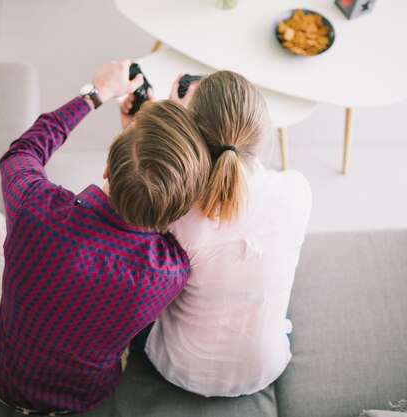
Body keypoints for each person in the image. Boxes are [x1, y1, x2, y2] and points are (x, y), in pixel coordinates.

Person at [0, 59, 211, 414]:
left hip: (7, 380)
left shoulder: (34, 209)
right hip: (88, 395)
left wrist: (96, 94)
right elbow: (167, 206)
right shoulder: (169, 272)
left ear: (106, 166)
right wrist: (165, 140)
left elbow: (23, 152)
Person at [123, 70, 312, 397]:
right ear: (262, 130)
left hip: (178, 367)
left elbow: (134, 198)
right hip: (266, 369)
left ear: (191, 135)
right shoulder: (297, 190)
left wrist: (155, 130)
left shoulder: (177, 215)